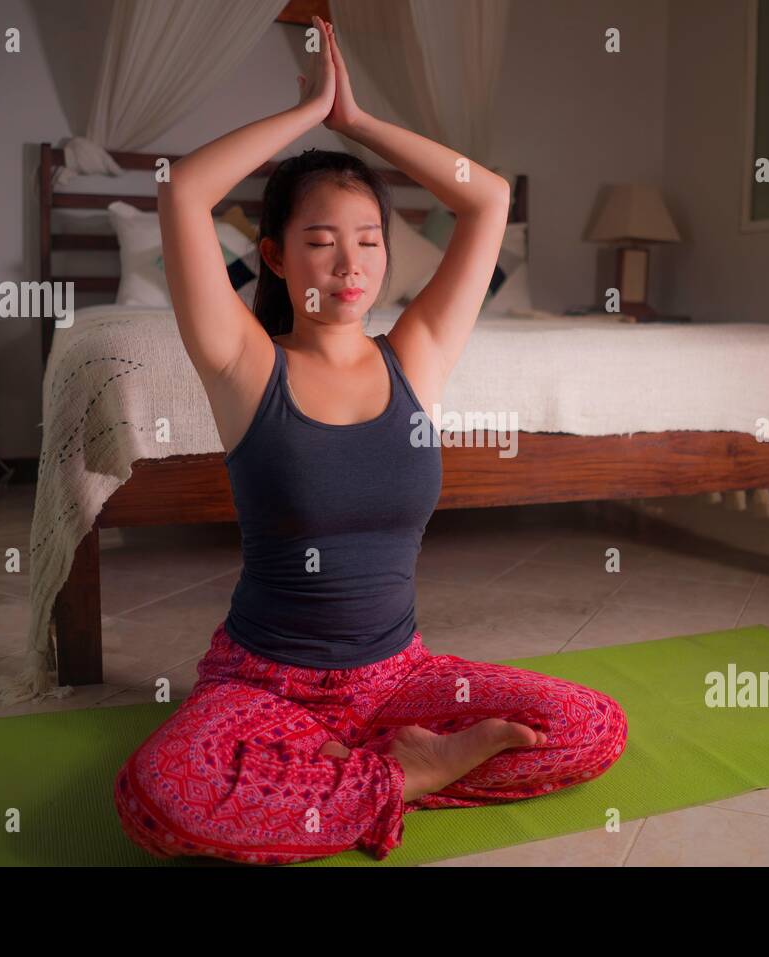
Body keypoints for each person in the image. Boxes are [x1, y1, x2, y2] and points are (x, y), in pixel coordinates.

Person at [114, 16, 627, 865]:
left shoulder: (416, 356)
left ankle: (340, 776)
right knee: (163, 791)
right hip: (264, 682)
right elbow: (183, 195)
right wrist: (308, 108)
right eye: (320, 242)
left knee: (588, 724)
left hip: (398, 677)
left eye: (368, 240)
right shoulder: (244, 363)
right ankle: (405, 778)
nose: (349, 263)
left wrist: (359, 123)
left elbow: (488, 197)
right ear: (275, 258)